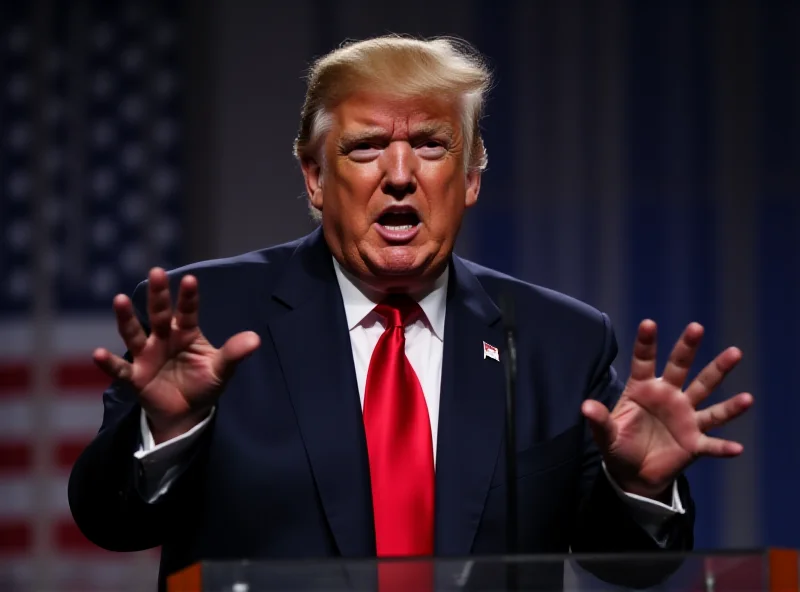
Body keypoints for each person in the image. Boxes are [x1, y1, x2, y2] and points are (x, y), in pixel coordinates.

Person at [68, 35, 753, 590]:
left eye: (431, 145)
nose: (400, 174)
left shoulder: (556, 341)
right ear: (313, 176)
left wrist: (634, 487)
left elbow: (630, 563)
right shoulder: (209, 316)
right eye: (365, 146)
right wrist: (167, 431)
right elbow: (109, 523)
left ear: (471, 179)